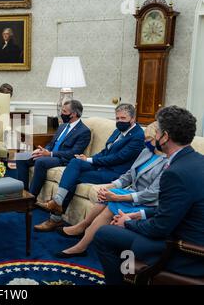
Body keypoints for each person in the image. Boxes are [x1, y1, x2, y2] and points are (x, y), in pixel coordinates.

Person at [94, 106, 204, 284]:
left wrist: (128, 223)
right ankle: (129, 275)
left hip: (186, 253)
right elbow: (174, 207)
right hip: (184, 234)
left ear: (165, 136)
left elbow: (160, 228)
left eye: (157, 131)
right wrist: (139, 215)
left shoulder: (175, 172)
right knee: (119, 232)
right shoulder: (197, 160)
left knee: (105, 234)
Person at [55, 122, 168, 258]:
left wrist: (117, 196)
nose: (145, 142)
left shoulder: (167, 162)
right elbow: (128, 174)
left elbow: (153, 193)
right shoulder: (146, 152)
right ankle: (83, 227)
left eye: (148, 140)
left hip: (147, 201)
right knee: (107, 194)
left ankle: (81, 245)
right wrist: (110, 186)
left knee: (113, 201)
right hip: (132, 194)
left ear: (160, 139)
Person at [34, 104, 145, 232]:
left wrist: (89, 160)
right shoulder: (117, 131)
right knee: (75, 162)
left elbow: (118, 158)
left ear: (132, 119)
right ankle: (58, 201)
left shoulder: (138, 136)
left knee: (74, 178)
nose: (119, 121)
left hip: (115, 173)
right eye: (117, 118)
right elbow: (105, 151)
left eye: (123, 118)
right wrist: (87, 158)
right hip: (102, 166)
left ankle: (55, 218)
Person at [16, 100, 91, 198]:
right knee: (21, 157)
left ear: (73, 114)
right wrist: (42, 150)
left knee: (41, 162)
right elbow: (51, 143)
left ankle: (31, 198)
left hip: (62, 159)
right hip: (49, 154)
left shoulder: (84, 131)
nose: (61, 114)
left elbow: (73, 153)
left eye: (64, 112)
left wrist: (50, 154)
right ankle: (23, 193)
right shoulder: (63, 126)